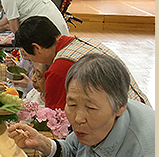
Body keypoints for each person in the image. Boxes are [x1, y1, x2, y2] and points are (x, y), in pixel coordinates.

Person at [8, 53, 155, 157]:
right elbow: (73, 150)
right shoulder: (92, 128)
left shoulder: (146, 154)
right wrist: (42, 143)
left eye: (90, 108)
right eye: (71, 105)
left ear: (119, 107)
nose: (78, 118)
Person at [14, 16, 151, 110]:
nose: (30, 61)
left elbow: (55, 121)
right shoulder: (83, 41)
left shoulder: (59, 69)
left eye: (27, 56)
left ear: (37, 48)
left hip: (124, 124)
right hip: (143, 109)